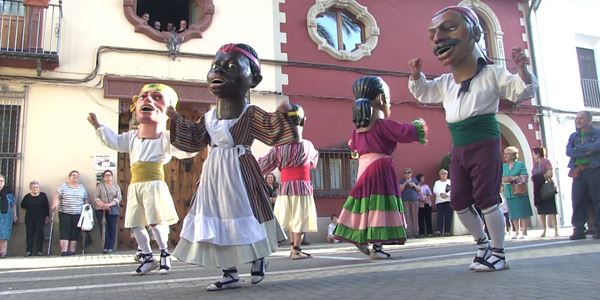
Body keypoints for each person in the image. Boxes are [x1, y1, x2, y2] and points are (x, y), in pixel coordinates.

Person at [408, 6, 536, 272]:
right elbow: (424, 92)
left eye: (449, 28)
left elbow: (521, 90)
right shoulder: (446, 82)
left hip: (485, 142)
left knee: (487, 198)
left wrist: (522, 70)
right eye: (433, 33)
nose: (438, 38)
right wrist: (416, 75)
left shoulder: (491, 74)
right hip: (460, 148)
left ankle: (498, 254)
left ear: (475, 33)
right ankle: (483, 245)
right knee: (459, 201)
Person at [166, 43, 299, 291]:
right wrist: (177, 121)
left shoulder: (250, 113)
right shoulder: (208, 117)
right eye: (215, 66)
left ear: (254, 79)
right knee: (219, 219)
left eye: (230, 67)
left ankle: (259, 256)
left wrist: (289, 115)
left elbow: (273, 131)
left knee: (248, 215)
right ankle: (229, 272)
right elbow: (194, 140)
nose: (219, 72)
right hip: (214, 174)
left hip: (241, 172)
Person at [88, 83, 195, 275]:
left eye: (156, 97)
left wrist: (180, 123)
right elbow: (114, 140)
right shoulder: (132, 137)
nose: (148, 100)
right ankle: (147, 256)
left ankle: (164, 254)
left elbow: (188, 150)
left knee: (156, 221)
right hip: (136, 185)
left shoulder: (166, 138)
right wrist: (97, 126)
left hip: (154, 184)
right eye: (143, 97)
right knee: (135, 223)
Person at [334, 76, 427, 259]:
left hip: (364, 168)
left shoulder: (357, 130)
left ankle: (357, 234)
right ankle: (376, 248)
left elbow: (352, 145)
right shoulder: (382, 125)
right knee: (379, 205)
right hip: (380, 168)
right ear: (381, 99)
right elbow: (404, 132)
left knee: (362, 203)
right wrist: (419, 126)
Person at [258, 103, 319, 260]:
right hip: (302, 186)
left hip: (285, 188)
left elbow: (264, 165)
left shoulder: (279, 147)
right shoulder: (308, 145)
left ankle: (293, 249)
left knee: (291, 218)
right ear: (302, 121)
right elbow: (313, 163)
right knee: (300, 217)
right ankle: (296, 250)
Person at [566, 110, 600, 240]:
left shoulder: (597, 133)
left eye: (581, 118)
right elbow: (569, 152)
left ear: (589, 120)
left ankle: (598, 229)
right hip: (578, 171)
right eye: (576, 118)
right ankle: (579, 229)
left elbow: (597, 147)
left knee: (598, 200)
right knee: (577, 200)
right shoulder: (573, 136)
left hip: (594, 169)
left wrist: (579, 149)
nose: (578, 120)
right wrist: (586, 150)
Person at [51, 170, 88, 256]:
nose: (75, 177)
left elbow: (86, 198)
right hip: (64, 212)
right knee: (64, 230)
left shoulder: (82, 187)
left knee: (75, 231)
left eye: (77, 176)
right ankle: (64, 251)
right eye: (73, 175)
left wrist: (87, 207)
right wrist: (55, 202)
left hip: (78, 213)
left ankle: (72, 251)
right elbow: (57, 195)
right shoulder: (63, 186)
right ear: (69, 177)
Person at [502, 146, 533, 239]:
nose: (505, 156)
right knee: (513, 213)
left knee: (522, 212)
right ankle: (517, 232)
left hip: (519, 191)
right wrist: (504, 180)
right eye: (504, 154)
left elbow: (525, 177)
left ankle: (524, 232)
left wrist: (512, 178)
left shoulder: (520, 164)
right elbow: (501, 178)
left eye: (507, 154)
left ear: (513, 155)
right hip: (509, 192)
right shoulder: (503, 166)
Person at [531, 146, 559, 238]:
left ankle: (556, 229)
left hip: (546, 187)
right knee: (541, 210)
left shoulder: (546, 162)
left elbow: (550, 173)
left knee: (551, 209)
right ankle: (544, 229)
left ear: (538, 154)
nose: (533, 155)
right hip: (538, 189)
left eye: (534, 154)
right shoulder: (535, 165)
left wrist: (540, 177)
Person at [94, 170, 122, 253]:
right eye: (106, 175)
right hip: (101, 209)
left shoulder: (116, 186)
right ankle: (103, 246)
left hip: (112, 209)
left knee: (112, 228)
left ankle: (110, 246)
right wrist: (103, 205)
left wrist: (109, 205)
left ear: (112, 177)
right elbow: (96, 197)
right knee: (103, 227)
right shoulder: (100, 186)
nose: (108, 177)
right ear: (104, 177)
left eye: (110, 175)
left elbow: (118, 197)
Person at [21, 180, 49, 256]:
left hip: (40, 218)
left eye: (37, 187)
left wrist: (47, 217)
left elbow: (47, 207)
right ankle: (29, 251)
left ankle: (39, 251)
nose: (35, 189)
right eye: (34, 187)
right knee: (29, 233)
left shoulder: (43, 195)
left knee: (39, 233)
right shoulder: (27, 196)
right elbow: (22, 205)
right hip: (29, 218)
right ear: (30, 188)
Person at [400, 168, 421, 238]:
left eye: (409, 172)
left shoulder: (415, 180)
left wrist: (414, 185)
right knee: (407, 216)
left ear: (411, 173)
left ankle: (416, 232)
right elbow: (400, 190)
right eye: (406, 173)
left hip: (414, 200)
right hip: (405, 200)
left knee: (415, 216)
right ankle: (408, 233)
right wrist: (405, 183)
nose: (407, 174)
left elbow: (419, 189)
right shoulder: (402, 180)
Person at [0, 174, 17, 258]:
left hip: (6, 216)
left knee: (4, 235)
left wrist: (15, 215)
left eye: (1, 181)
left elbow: (13, 204)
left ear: (4, 182)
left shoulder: (8, 192)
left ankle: (3, 252)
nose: (0, 183)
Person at [432, 169, 452, 236]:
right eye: (442, 174)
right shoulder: (437, 182)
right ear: (439, 175)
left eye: (445, 174)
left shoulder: (450, 181)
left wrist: (447, 195)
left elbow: (453, 189)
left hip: (448, 200)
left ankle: (447, 231)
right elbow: (435, 190)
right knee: (440, 216)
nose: (444, 175)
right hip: (439, 201)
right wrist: (441, 194)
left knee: (448, 216)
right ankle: (439, 230)